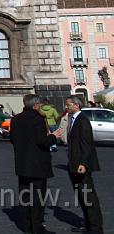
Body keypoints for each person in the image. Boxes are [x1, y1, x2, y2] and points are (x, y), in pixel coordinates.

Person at [10, 93, 58, 234]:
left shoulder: (16, 119)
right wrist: (54, 137)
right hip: (37, 165)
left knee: (25, 196)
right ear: (36, 105)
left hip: (22, 164)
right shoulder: (37, 119)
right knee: (37, 197)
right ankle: (37, 227)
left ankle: (26, 226)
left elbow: (12, 139)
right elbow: (42, 141)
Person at [58, 95, 103, 233]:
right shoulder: (74, 119)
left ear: (76, 105)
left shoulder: (82, 120)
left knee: (88, 196)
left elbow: (87, 144)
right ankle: (88, 224)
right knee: (82, 197)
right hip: (74, 164)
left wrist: (83, 163)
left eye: (68, 105)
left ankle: (96, 227)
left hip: (81, 165)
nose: (66, 107)